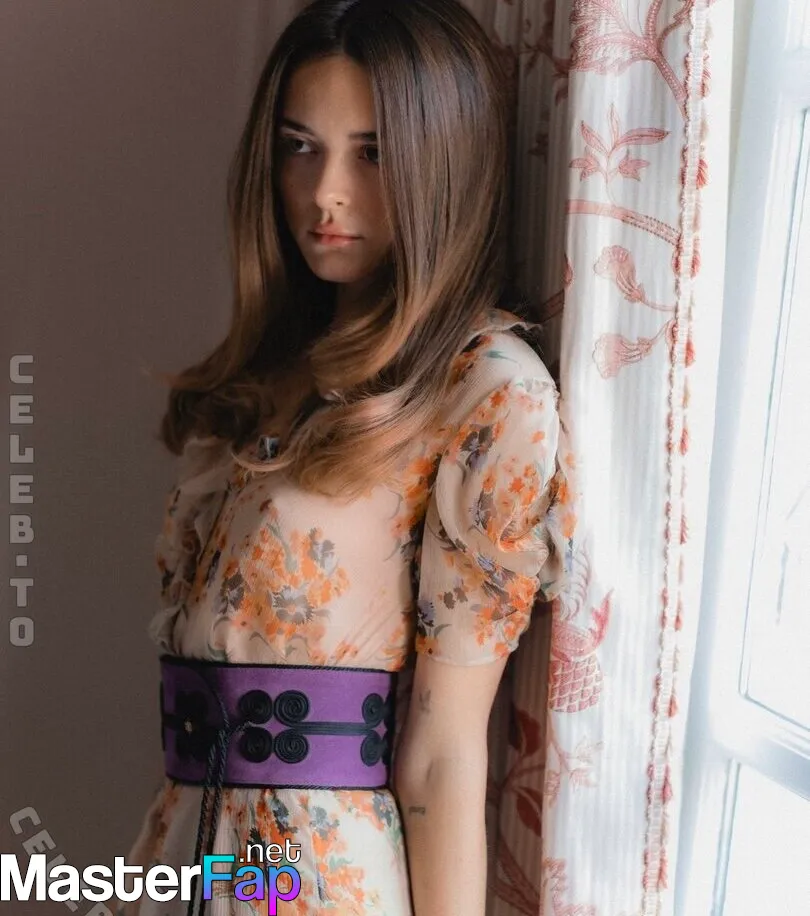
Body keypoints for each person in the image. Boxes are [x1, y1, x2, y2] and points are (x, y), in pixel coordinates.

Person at [116, 0, 577, 914]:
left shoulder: (486, 389)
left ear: (444, 162)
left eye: (372, 153)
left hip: (317, 875)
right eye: (301, 146)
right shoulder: (281, 365)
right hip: (186, 848)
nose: (325, 192)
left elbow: (444, 753)